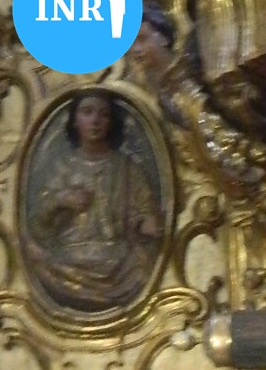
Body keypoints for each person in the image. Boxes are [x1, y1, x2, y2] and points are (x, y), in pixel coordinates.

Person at [23, 90, 164, 313]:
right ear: (75, 120)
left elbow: (144, 211)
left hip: (120, 267)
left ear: (111, 122)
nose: (95, 121)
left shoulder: (127, 169)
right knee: (38, 261)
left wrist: (145, 223)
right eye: (87, 112)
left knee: (143, 267)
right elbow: (38, 226)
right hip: (67, 266)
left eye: (103, 114)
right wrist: (60, 200)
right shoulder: (61, 169)